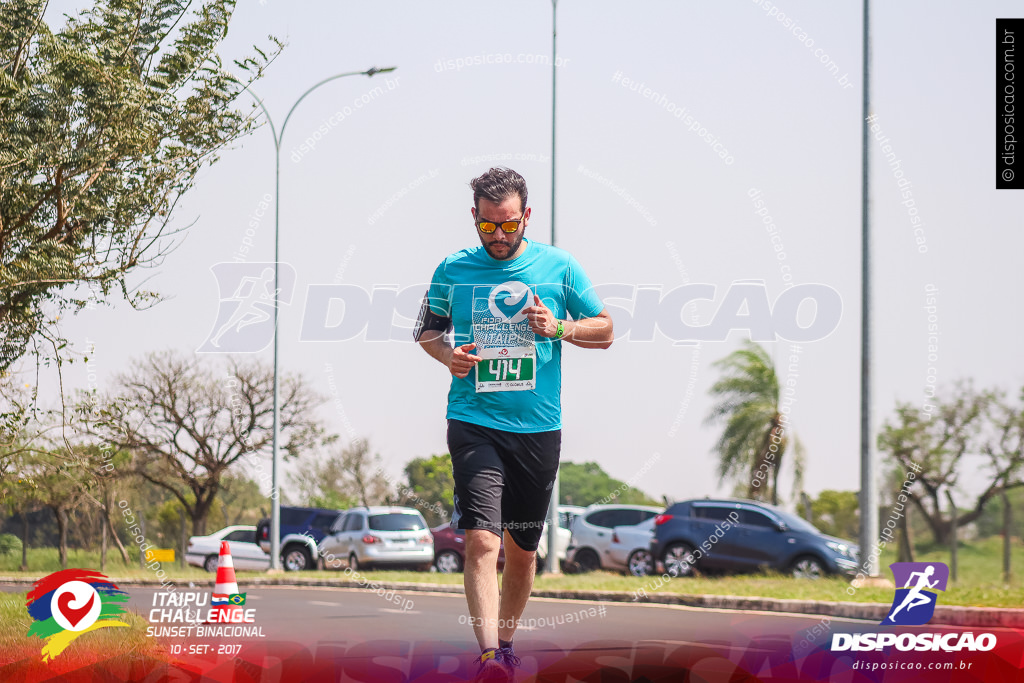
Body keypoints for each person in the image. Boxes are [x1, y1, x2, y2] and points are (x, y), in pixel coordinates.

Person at [415, 167, 614, 681]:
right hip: (473, 420)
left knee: (522, 554)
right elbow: (426, 331)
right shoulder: (452, 269)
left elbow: (607, 329)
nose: (499, 237)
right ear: (474, 219)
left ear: (526, 216)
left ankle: (504, 644)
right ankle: (487, 657)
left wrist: (562, 326)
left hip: (537, 428)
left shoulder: (560, 266)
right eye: (487, 227)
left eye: (508, 226)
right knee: (482, 540)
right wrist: (448, 357)